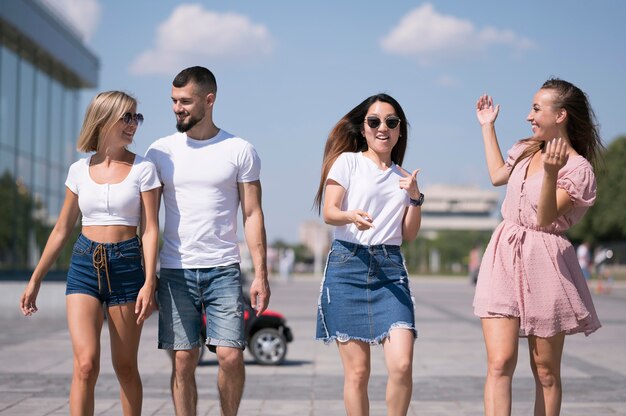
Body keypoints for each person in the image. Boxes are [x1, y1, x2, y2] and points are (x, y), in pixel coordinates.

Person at [19, 91, 160, 415]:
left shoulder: (144, 169)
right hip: (83, 264)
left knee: (125, 367)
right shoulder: (78, 170)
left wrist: (148, 282)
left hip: (126, 267)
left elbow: (151, 229)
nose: (133, 125)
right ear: (104, 118)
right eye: (126, 117)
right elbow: (62, 228)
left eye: (136, 117)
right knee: (85, 365)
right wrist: (35, 279)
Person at [473, 78, 603, 416]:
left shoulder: (578, 169)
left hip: (545, 263)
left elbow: (544, 217)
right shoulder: (528, 146)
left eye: (536, 108)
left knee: (545, 371)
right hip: (504, 251)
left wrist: (550, 173)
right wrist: (488, 127)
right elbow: (497, 176)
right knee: (499, 362)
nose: (529, 116)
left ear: (560, 115)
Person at [145, 66, 270, 416]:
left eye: (185, 101)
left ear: (209, 100)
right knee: (184, 360)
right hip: (175, 271)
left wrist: (260, 273)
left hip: (223, 270)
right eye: (173, 101)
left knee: (230, 356)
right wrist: (147, 275)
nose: (176, 108)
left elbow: (253, 214)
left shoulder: (239, 150)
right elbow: (149, 221)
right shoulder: (160, 153)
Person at [313, 93, 421, 415]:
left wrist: (415, 198)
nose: (382, 128)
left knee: (401, 365)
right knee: (358, 373)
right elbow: (330, 211)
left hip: (390, 270)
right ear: (363, 128)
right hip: (347, 265)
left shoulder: (405, 177)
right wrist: (351, 216)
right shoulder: (347, 162)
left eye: (391, 122)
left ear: (400, 130)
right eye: (374, 121)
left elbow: (409, 235)